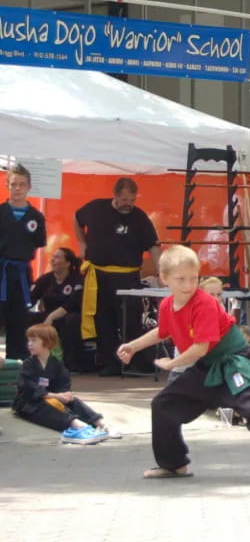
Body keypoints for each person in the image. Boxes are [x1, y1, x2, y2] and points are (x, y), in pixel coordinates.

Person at [116, 246, 250, 486]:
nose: (188, 285)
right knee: (163, 405)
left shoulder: (204, 302)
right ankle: (174, 464)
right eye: (180, 280)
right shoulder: (167, 305)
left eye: (193, 278)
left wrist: (173, 363)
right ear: (163, 279)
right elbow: (164, 331)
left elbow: (200, 348)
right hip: (206, 366)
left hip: (235, 360)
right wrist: (133, 346)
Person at [74, 177, 159, 376]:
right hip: (99, 276)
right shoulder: (95, 208)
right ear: (115, 195)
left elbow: (153, 245)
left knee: (130, 320)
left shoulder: (139, 217)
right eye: (124, 199)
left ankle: (135, 360)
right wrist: (81, 243)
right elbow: (76, 218)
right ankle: (109, 363)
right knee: (103, 320)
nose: (128, 204)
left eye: (132, 200)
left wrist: (160, 272)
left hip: (127, 277)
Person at [13, 324, 115, 444]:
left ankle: (102, 424)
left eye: (34, 340)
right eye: (29, 340)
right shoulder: (28, 364)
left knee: (73, 401)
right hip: (30, 403)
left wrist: (65, 394)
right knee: (46, 407)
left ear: (47, 342)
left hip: (53, 398)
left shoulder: (56, 364)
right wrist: (54, 396)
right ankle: (80, 426)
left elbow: (63, 382)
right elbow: (28, 387)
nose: (29, 344)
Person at [1, 164, 47, 360]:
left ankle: (15, 368)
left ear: (29, 187)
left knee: (19, 322)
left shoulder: (36, 217)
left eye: (21, 184)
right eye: (13, 184)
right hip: (1, 271)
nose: (17, 188)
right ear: (7, 185)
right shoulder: (1, 211)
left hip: (21, 275)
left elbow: (39, 243)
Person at [29, 247, 84, 371]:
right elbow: (30, 298)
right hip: (48, 315)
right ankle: (30, 360)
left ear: (68, 263)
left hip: (68, 315)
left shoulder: (77, 280)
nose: (53, 260)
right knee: (27, 318)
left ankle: (71, 363)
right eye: (53, 257)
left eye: (57, 257)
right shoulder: (46, 279)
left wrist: (51, 317)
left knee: (73, 320)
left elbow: (71, 304)